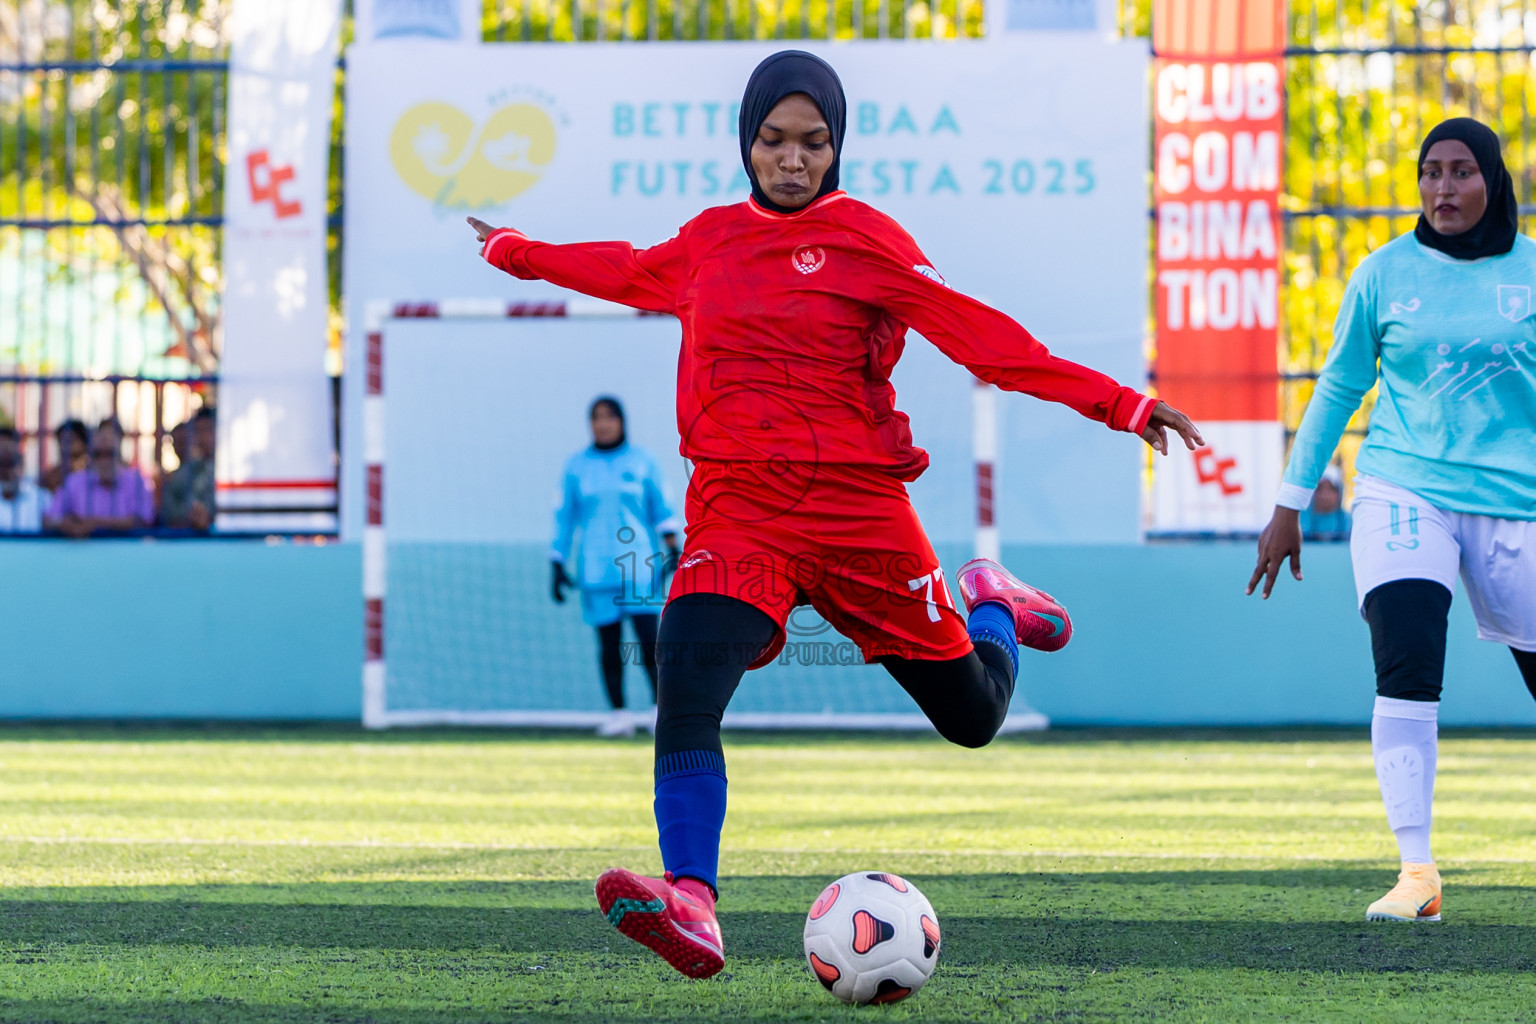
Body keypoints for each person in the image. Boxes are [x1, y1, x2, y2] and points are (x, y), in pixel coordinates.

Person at [469, 50, 1202, 980]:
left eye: (812, 143)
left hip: (860, 514)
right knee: (684, 671)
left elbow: (986, 340)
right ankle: (692, 900)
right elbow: (618, 268)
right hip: (739, 514)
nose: (791, 159)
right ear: (747, 142)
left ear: (837, 147)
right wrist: (511, 248)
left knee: (973, 719)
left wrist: (1121, 404)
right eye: (774, 140)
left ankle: (991, 606)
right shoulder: (706, 243)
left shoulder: (868, 239)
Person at [1248, 117, 1536, 925]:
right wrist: (1288, 505)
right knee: (1406, 652)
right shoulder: (1383, 274)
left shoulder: (1532, 272)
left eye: (1461, 172)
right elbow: (1338, 389)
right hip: (1405, 488)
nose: (1444, 189)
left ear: (1494, 180)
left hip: (1518, 502)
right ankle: (1417, 873)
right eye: (1430, 172)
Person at [552, 396, 680, 738]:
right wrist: (556, 560)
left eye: (609, 416)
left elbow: (661, 507)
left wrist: (672, 546)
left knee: (650, 643)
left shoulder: (642, 462)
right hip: (597, 569)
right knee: (608, 646)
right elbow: (564, 518)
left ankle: (659, 711)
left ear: (622, 421)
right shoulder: (576, 467)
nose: (603, 423)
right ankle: (619, 714)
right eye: (596, 417)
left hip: (638, 567)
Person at [45, 421, 155, 537]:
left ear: (119, 455)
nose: (104, 460)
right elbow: (50, 518)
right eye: (97, 455)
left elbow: (144, 520)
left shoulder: (135, 481)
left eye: (109, 454)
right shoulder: (74, 482)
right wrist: (65, 525)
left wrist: (94, 523)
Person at [161, 408, 216, 531]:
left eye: (207, 430)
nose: (202, 437)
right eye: (198, 431)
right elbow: (169, 512)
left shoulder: (232, 471)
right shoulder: (185, 472)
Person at [0, 426, 43, 534]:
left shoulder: (41, 498)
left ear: (21, 462)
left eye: (11, 463)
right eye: (2, 464)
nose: (6, 472)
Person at [1297, 463, 1351, 541]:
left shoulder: (1350, 522)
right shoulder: (1298, 521)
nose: (1325, 495)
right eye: (1319, 489)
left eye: (1331, 489)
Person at [40, 419, 88, 495]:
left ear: (83, 442)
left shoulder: (94, 474)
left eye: (70, 440)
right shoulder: (52, 477)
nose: (64, 445)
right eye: (61, 440)